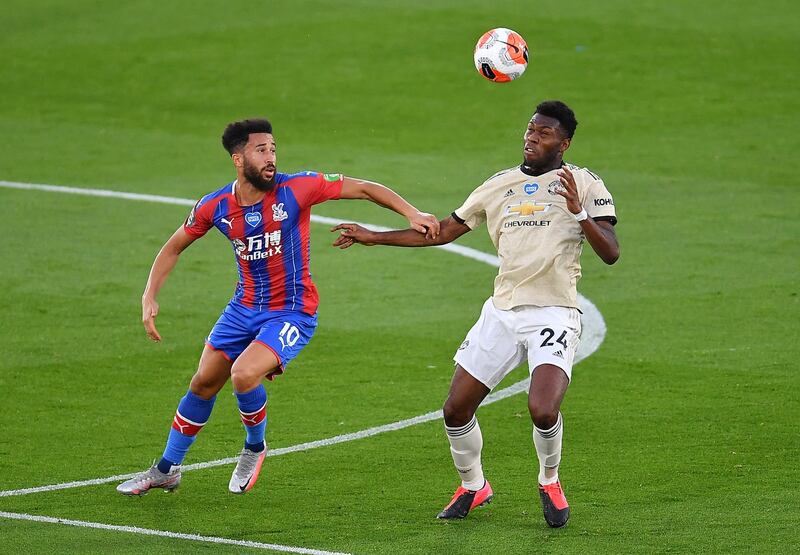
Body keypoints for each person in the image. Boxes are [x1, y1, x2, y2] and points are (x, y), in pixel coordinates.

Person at [332, 100, 619, 527]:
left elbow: (611, 252)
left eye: (543, 133)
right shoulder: (498, 185)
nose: (531, 137)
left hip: (554, 313)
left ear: (565, 142)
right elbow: (443, 232)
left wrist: (578, 210)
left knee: (542, 409)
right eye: (529, 129)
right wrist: (374, 237)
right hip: (501, 313)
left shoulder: (585, 183)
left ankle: (550, 480)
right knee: (455, 409)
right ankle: (473, 485)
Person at [117, 118, 439, 496]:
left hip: (292, 311)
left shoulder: (297, 187)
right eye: (261, 150)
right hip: (242, 309)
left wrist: (412, 213)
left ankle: (255, 446)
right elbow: (173, 246)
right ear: (238, 159)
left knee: (243, 374)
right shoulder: (215, 206)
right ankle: (166, 470)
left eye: (273, 149)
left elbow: (365, 188)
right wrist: (149, 295)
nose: (271, 157)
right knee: (203, 382)